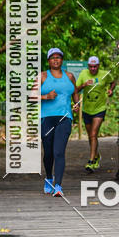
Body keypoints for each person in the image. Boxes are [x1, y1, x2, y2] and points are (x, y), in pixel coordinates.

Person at [31, 48, 78, 197]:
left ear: (62, 60)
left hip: (64, 118)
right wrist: (46, 97)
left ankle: (58, 186)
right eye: (53, 58)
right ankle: (49, 179)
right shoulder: (42, 76)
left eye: (58, 57)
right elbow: (32, 97)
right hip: (46, 118)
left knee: (59, 151)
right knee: (49, 153)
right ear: (48, 60)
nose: (56, 60)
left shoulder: (70, 76)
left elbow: (75, 93)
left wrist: (76, 104)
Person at [75, 56, 116, 172]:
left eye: (95, 66)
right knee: (90, 136)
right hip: (87, 109)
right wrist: (83, 85)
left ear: (98, 66)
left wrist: (110, 90)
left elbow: (113, 82)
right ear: (88, 66)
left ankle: (91, 160)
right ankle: (96, 155)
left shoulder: (104, 74)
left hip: (100, 108)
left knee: (93, 134)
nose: (93, 69)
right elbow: (76, 90)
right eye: (91, 67)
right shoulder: (83, 74)